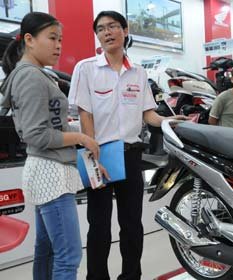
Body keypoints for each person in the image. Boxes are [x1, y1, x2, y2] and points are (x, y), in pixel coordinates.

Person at [67, 11, 185, 280]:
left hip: (131, 156)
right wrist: (93, 155)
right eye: (100, 29)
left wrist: (167, 120)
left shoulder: (139, 73)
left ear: (125, 30)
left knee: (132, 224)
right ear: (97, 35)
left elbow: (148, 115)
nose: (107, 33)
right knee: (98, 225)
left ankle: (131, 275)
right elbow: (85, 114)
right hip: (99, 154)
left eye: (112, 27)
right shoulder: (86, 68)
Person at [0, 12, 101, 280]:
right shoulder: (30, 77)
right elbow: (37, 134)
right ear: (29, 40)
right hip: (51, 173)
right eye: (52, 38)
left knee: (48, 251)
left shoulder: (33, 74)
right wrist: (82, 138)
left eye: (61, 40)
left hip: (50, 170)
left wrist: (76, 131)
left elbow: (47, 127)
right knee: (68, 255)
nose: (58, 46)